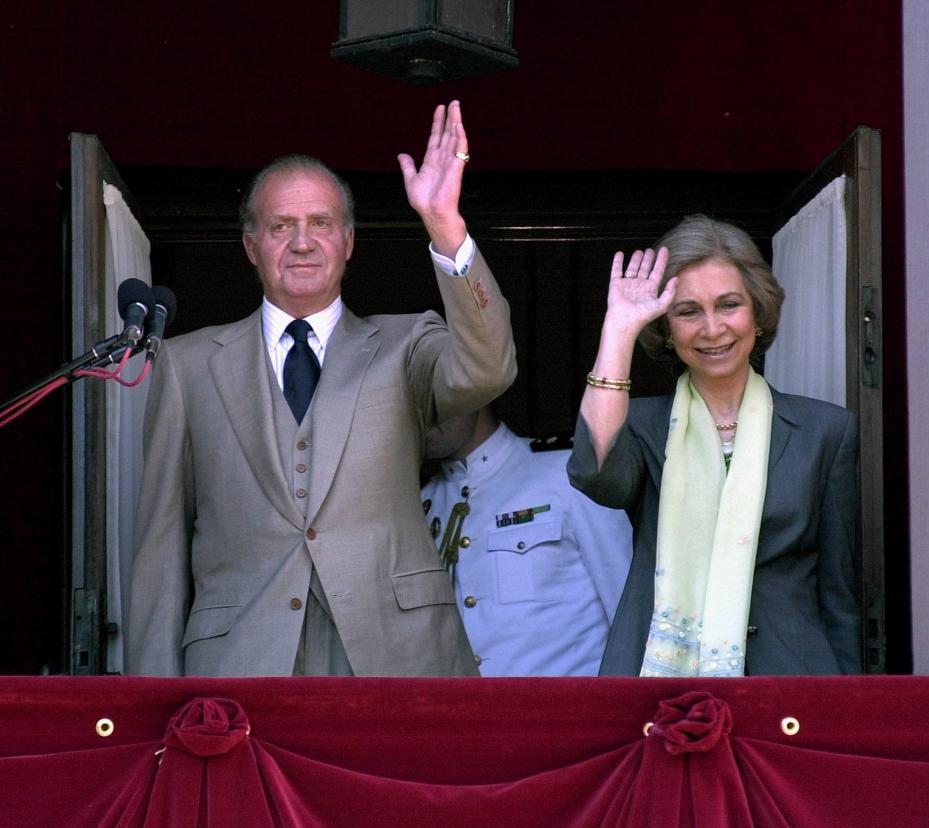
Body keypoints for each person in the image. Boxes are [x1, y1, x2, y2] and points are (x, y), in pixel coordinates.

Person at [124, 101, 517, 677]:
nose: (303, 242)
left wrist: (445, 226)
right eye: (282, 226)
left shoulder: (406, 343)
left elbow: (489, 367)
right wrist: (151, 701)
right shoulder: (187, 366)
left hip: (396, 657)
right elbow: (159, 548)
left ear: (349, 241)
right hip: (241, 661)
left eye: (321, 224)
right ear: (251, 246)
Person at [567, 214, 861, 676]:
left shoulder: (826, 431)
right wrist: (619, 329)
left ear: (757, 314)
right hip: (657, 683)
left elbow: (840, 596)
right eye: (687, 312)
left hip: (791, 682)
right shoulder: (642, 425)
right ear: (666, 327)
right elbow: (596, 475)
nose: (711, 328)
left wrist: (849, 710)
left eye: (728, 305)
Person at [421, 405, 632, 675]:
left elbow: (629, 609)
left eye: (433, 397)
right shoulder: (422, 503)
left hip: (572, 711)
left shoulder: (569, 472)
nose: (422, 412)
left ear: (476, 393)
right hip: (462, 711)